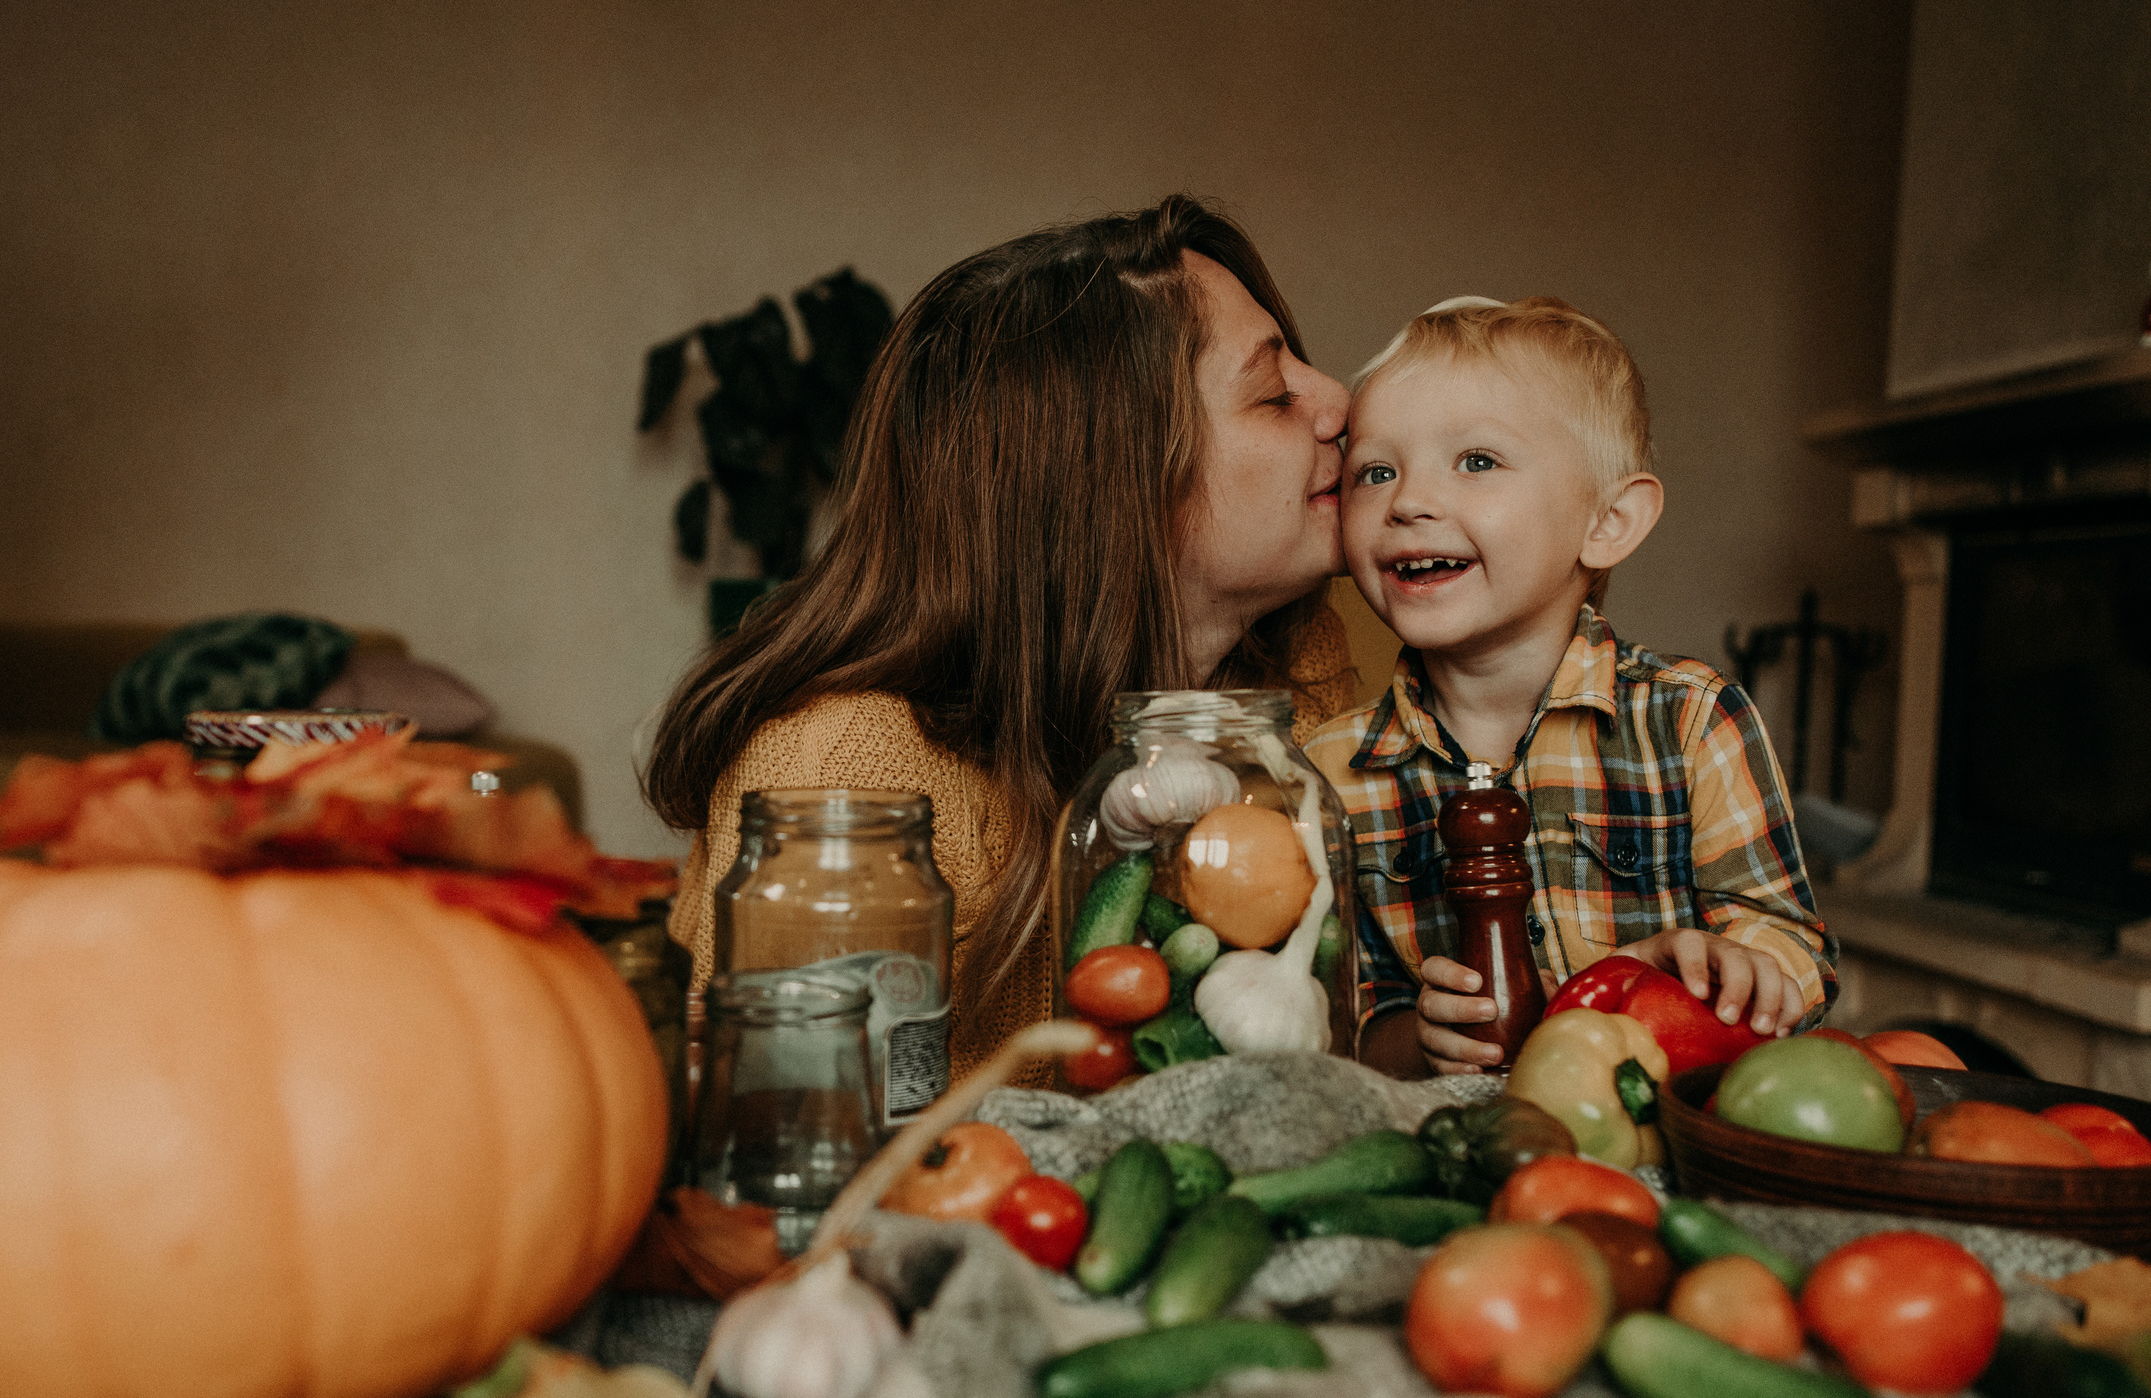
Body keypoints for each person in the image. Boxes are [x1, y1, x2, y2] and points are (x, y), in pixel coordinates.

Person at [644, 195, 1357, 1084]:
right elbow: (791, 1135)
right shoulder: (849, 772)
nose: (1339, 401)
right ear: (1111, 485)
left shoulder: (1295, 673)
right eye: (1274, 394)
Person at [1305, 295, 1834, 1078]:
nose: (1407, 502)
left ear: (1609, 521)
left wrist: (1713, 974)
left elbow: (1792, 952)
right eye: (1375, 472)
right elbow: (1330, 1025)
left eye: (1477, 461)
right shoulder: (1326, 772)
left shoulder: (1690, 718)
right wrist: (1414, 1038)